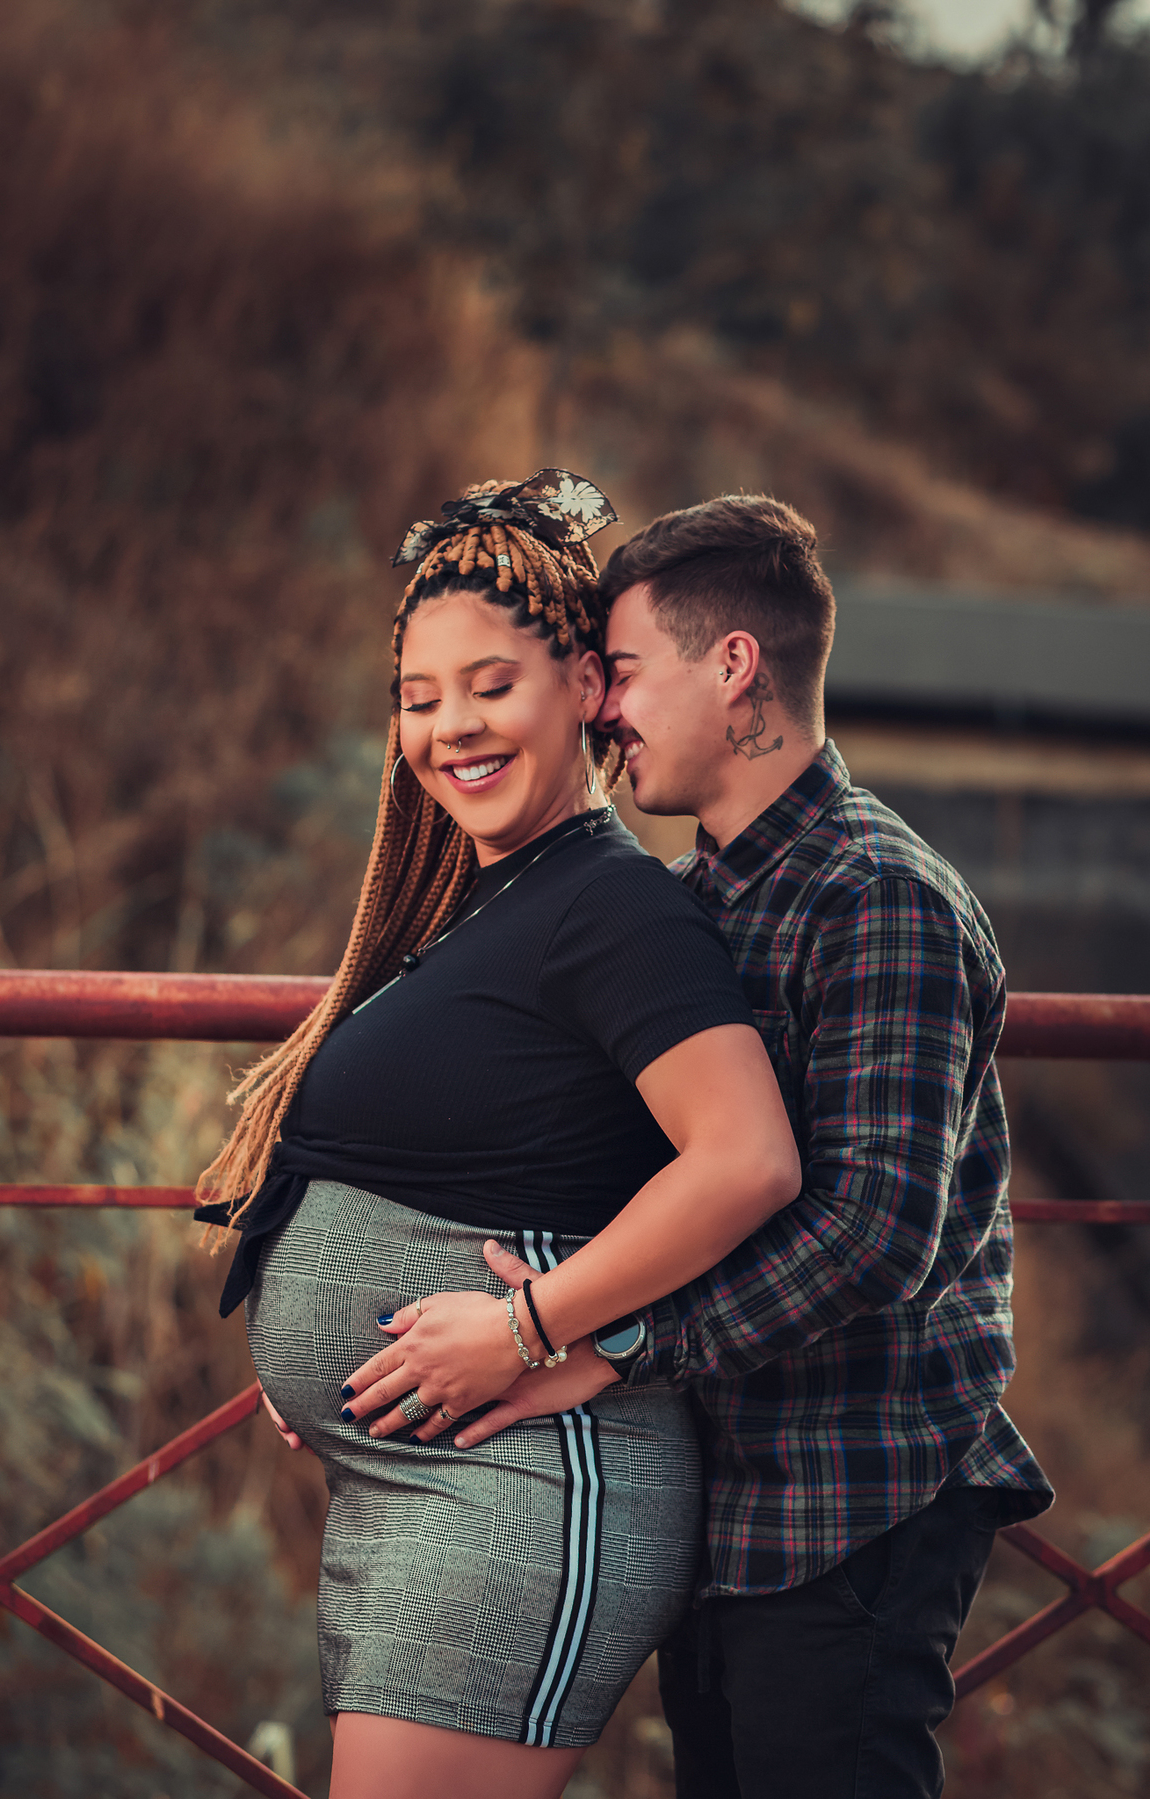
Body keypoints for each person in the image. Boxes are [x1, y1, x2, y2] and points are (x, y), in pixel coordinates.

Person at [350, 494, 1055, 1799]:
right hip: (730, 1497)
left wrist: (597, 1342)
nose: (604, 711)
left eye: (619, 673)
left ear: (733, 667)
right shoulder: (697, 899)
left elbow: (872, 1236)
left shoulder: (878, 899)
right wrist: (376, 1357)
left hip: (853, 1493)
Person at [193, 471, 801, 1799]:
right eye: (419, 698)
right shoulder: (484, 906)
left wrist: (527, 1327)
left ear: (585, 686)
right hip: (429, 1488)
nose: (450, 726)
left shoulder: (616, 910)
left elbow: (747, 1157)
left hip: (520, 1492)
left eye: (491, 685)